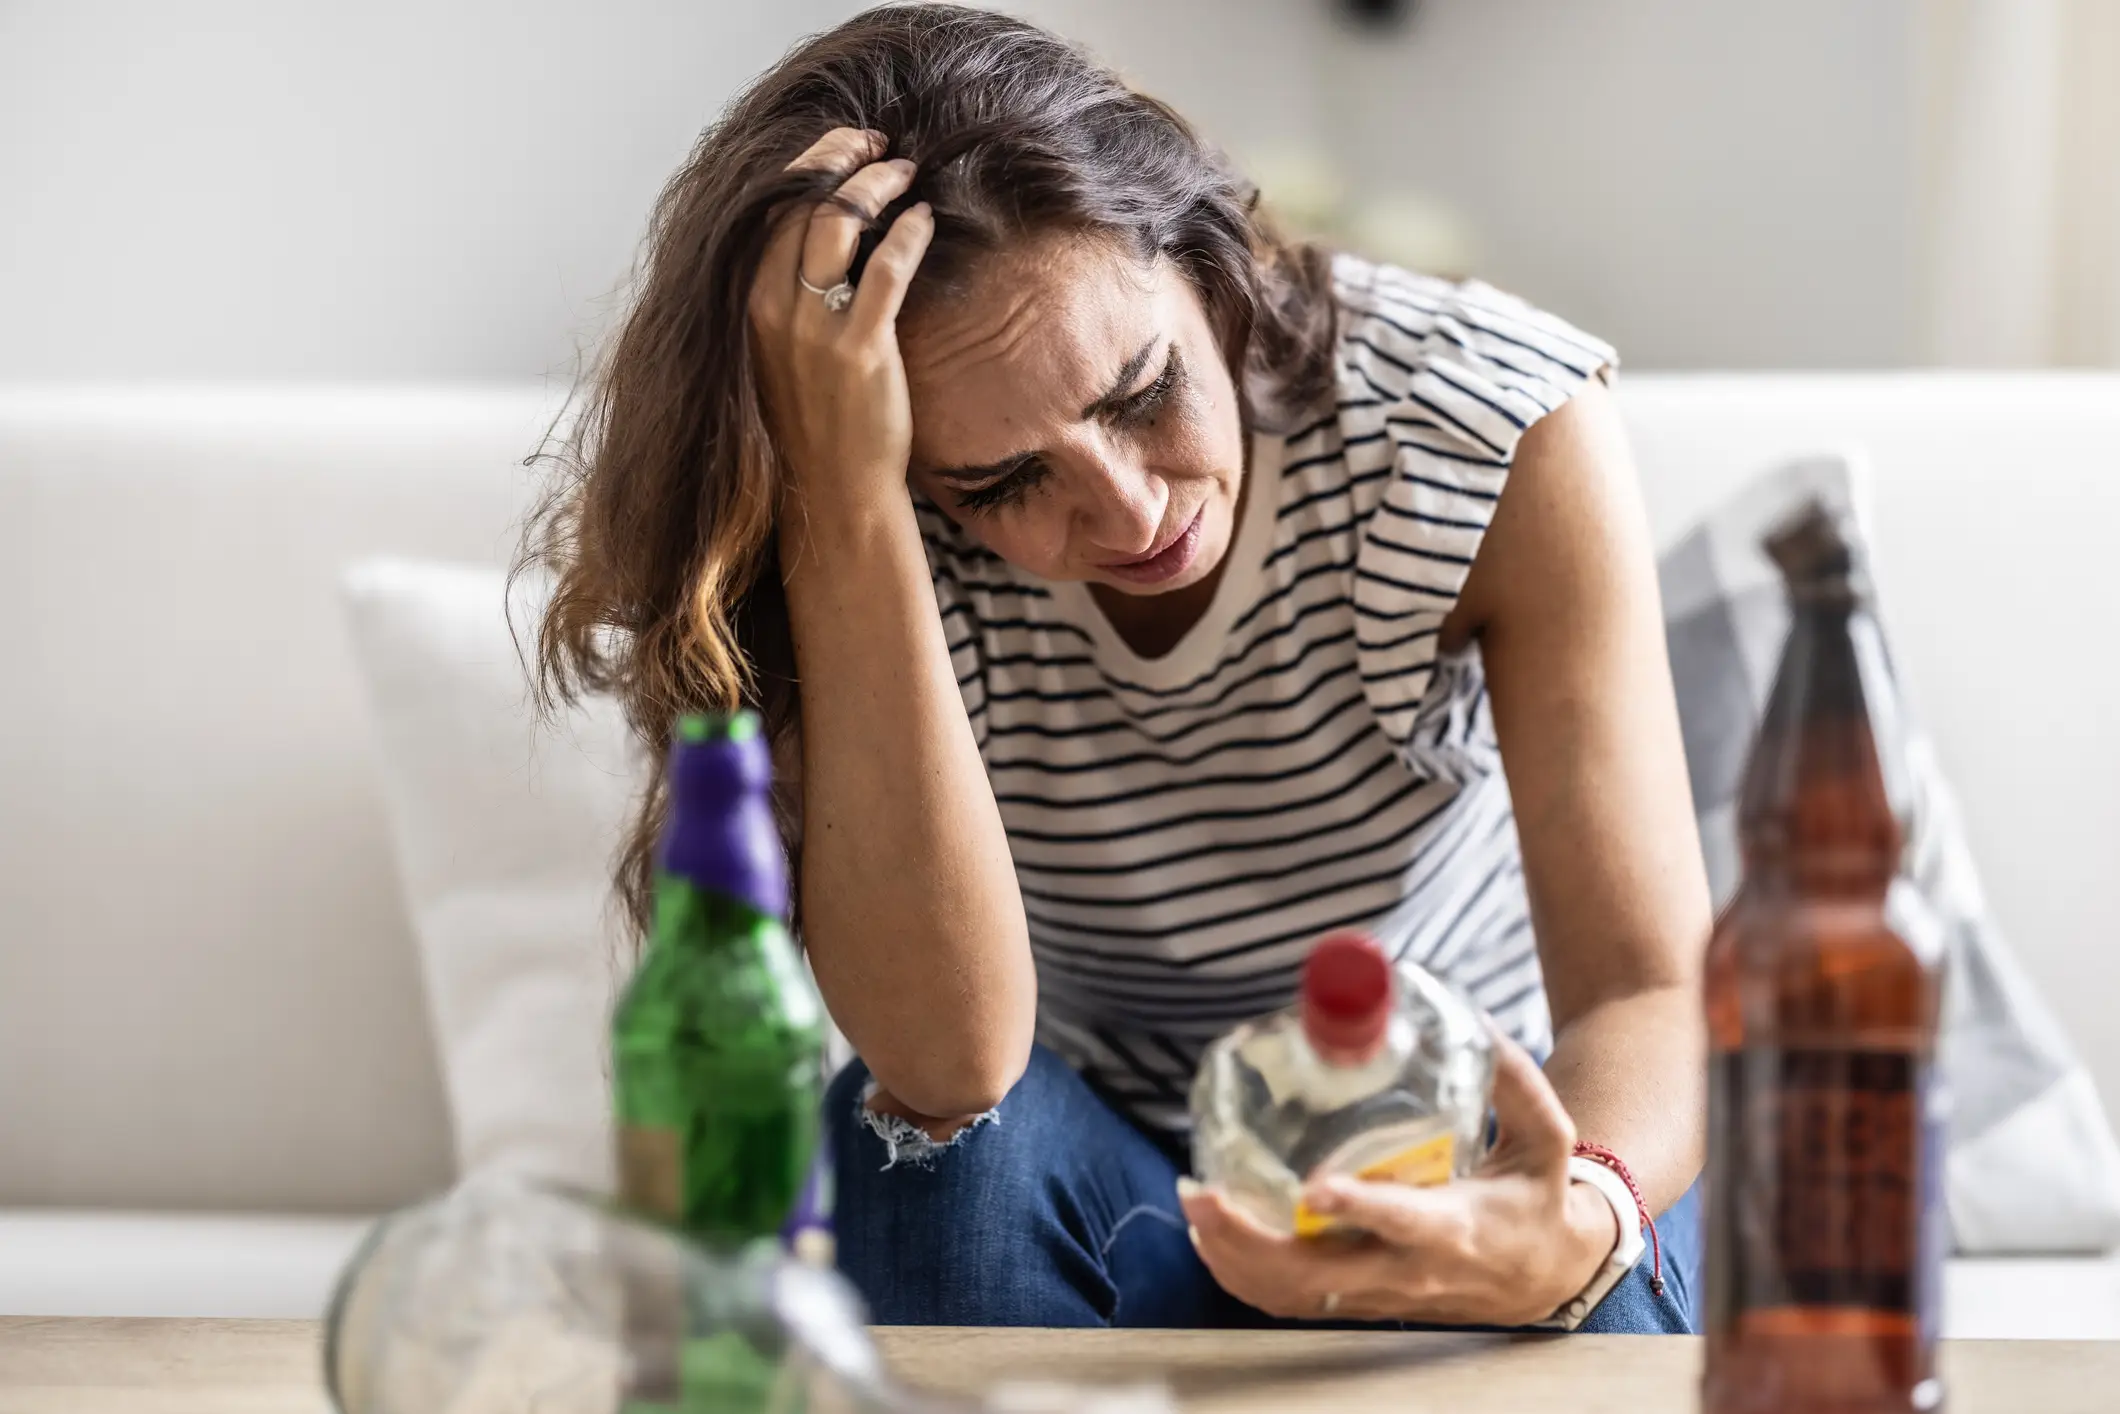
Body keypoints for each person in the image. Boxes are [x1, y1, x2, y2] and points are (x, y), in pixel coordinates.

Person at [527, 3, 1712, 1332]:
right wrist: (842, 500)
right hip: (1125, 1194)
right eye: (1004, 481)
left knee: (1596, 1281)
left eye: (1142, 394)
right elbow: (950, 1063)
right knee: (917, 1151)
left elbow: (1646, 989)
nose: (1130, 511)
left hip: (1458, 1144)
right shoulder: (861, 511)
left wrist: (1564, 1216)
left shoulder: (1488, 430)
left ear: (1207, 266)